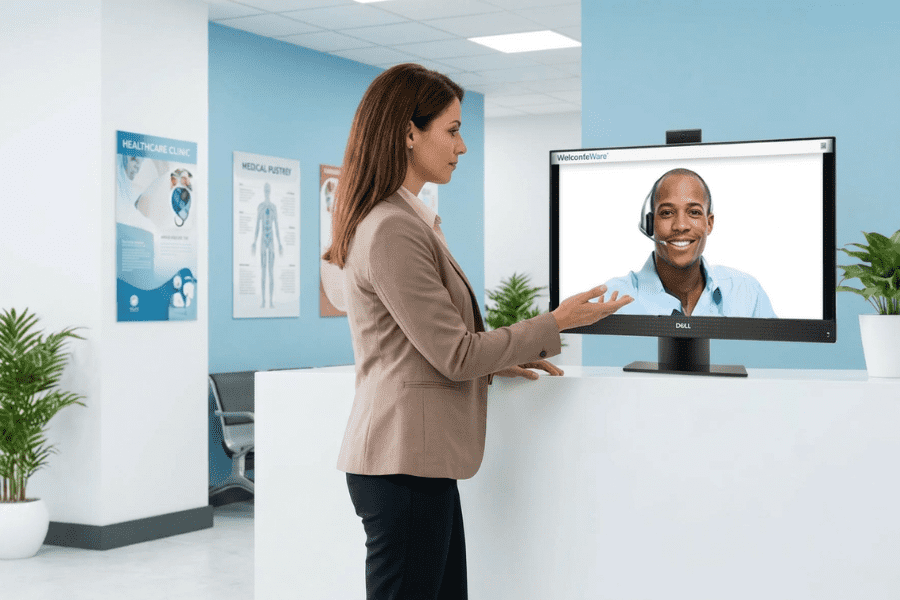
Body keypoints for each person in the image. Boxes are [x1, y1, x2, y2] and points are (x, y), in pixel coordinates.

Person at [322, 63, 633, 600]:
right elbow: (454, 354)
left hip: (414, 465)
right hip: (403, 466)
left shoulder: (402, 217)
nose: (462, 146)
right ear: (408, 132)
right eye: (452, 129)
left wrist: (497, 358)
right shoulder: (393, 226)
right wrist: (556, 322)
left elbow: (424, 346)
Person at [604, 168, 777, 317]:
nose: (680, 226)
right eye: (667, 213)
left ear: (709, 224)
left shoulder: (747, 292)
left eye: (694, 212)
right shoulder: (611, 299)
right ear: (650, 224)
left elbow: (777, 354)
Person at [251, 182, 283, 308]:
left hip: (271, 242)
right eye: (266, 189)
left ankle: (270, 301)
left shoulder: (273, 207)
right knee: (263, 271)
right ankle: (264, 301)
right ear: (264, 191)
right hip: (263, 241)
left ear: (270, 191)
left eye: (268, 189)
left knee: (271, 272)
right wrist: (254, 241)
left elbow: (277, 227)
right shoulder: (261, 207)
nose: (267, 191)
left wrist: (280, 243)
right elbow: (257, 227)